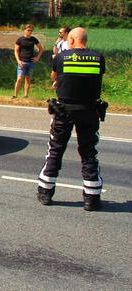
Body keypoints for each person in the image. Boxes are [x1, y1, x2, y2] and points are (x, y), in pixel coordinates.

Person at [37, 27, 107, 211]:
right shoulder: (98, 58)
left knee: (55, 150)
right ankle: (91, 198)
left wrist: (58, 82)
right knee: (88, 152)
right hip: (89, 111)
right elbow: (94, 79)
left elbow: (55, 78)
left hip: (64, 111)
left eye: (68, 40)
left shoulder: (61, 57)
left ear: (73, 40)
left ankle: (45, 192)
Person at [13, 24, 43, 98]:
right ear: (25, 30)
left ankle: (26, 95)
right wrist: (18, 61)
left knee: (28, 80)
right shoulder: (20, 39)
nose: (29, 32)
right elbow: (16, 51)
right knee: (19, 79)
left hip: (31, 62)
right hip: (22, 62)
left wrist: (37, 58)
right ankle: (15, 95)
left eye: (31, 30)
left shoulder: (34, 39)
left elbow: (41, 49)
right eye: (28, 30)